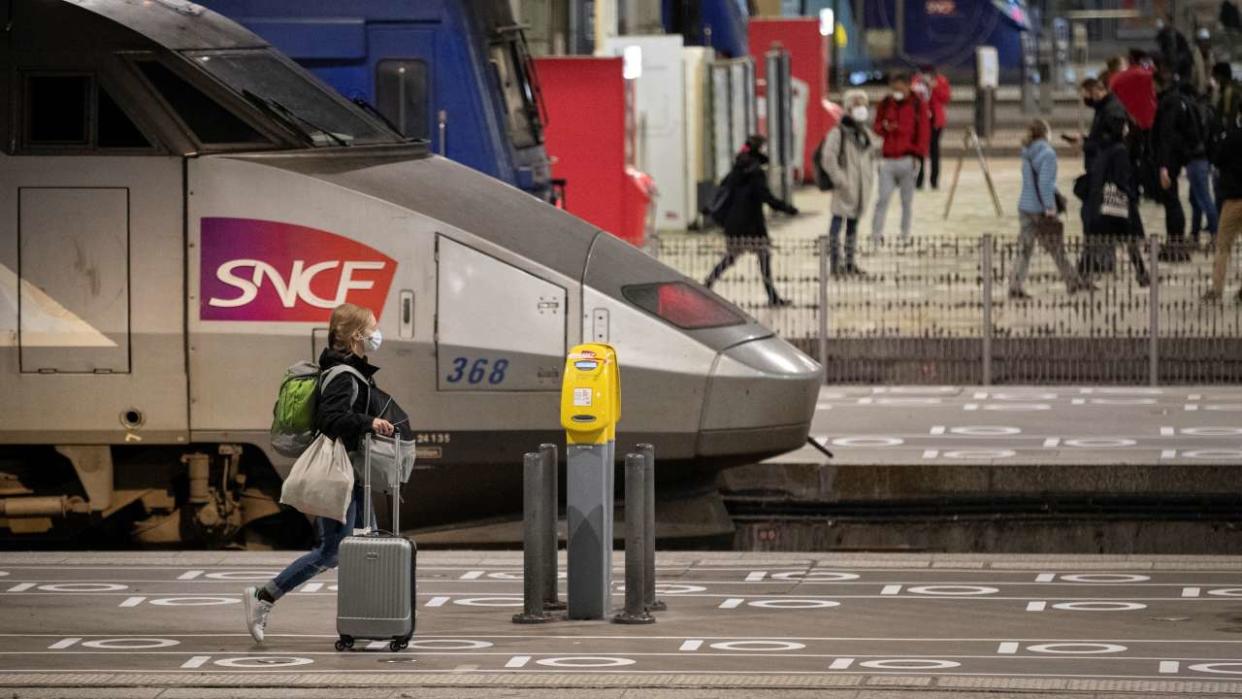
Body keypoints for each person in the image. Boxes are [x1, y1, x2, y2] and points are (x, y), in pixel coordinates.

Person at [244, 303, 397, 643]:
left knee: (364, 545)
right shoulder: (342, 375)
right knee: (332, 551)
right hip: (338, 474)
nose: (377, 333)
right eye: (373, 327)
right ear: (357, 335)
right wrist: (368, 421)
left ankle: (367, 623)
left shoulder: (350, 370)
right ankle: (263, 597)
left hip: (353, 473)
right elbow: (331, 418)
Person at [704, 134, 798, 306]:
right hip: (752, 226)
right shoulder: (756, 173)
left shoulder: (736, 170)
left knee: (731, 257)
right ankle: (773, 297)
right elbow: (766, 197)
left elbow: (723, 192)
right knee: (763, 258)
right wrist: (788, 208)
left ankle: (708, 282)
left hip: (733, 224)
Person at [1010, 120, 1087, 299]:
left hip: (1025, 206)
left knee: (1025, 250)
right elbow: (1045, 183)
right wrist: (1050, 207)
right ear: (1045, 133)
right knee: (1056, 248)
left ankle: (1015, 285)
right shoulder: (1048, 154)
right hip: (1041, 209)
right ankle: (1072, 281)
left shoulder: (1027, 153)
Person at [1067, 77, 1131, 275]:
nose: (1086, 99)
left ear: (1095, 90)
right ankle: (1096, 260)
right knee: (1095, 218)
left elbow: (1110, 143)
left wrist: (1085, 145)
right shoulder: (1104, 109)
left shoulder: (1112, 111)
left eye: (1086, 95)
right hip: (1099, 171)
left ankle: (1099, 261)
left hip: (1107, 175)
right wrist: (1086, 141)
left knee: (1099, 217)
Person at [1153, 62, 1208, 260]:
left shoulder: (1169, 104)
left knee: (1172, 202)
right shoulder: (1182, 100)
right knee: (1174, 201)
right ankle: (1176, 244)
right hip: (1180, 157)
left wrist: (1164, 167)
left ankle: (1175, 245)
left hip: (1171, 161)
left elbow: (1166, 136)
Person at [822, 90, 876, 275]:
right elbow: (828, 158)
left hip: (860, 189)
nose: (861, 108)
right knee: (837, 225)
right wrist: (840, 180)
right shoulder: (838, 132)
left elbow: (870, 157)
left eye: (863, 104)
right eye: (857, 104)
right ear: (848, 108)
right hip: (845, 188)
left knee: (853, 227)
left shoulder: (865, 133)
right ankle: (835, 265)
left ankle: (850, 263)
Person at [871, 71, 929, 243]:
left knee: (906, 203)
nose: (896, 92)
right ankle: (876, 235)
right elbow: (876, 127)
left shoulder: (918, 105)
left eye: (899, 89)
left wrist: (917, 156)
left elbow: (924, 134)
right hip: (888, 160)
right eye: (893, 88)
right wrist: (885, 128)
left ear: (907, 87)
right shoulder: (885, 103)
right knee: (882, 200)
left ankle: (904, 235)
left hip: (907, 159)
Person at [1203, 105, 1242, 302]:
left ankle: (1216, 290)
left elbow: (1217, 159)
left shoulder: (1231, 137)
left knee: (1223, 247)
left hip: (1233, 200)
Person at [1111, 50, 1159, 200]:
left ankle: (1133, 191)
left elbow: (1112, 98)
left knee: (1129, 158)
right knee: (1149, 157)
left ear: (1130, 59)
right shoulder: (1149, 75)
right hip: (1149, 122)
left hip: (1128, 123)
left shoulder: (1118, 78)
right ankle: (1150, 191)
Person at [913, 64, 951, 190]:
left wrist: (934, 87)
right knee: (919, 151)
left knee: (934, 150)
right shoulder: (916, 81)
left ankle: (934, 180)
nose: (926, 77)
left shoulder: (941, 81)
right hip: (920, 121)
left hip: (935, 121)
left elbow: (946, 98)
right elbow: (912, 97)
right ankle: (919, 180)